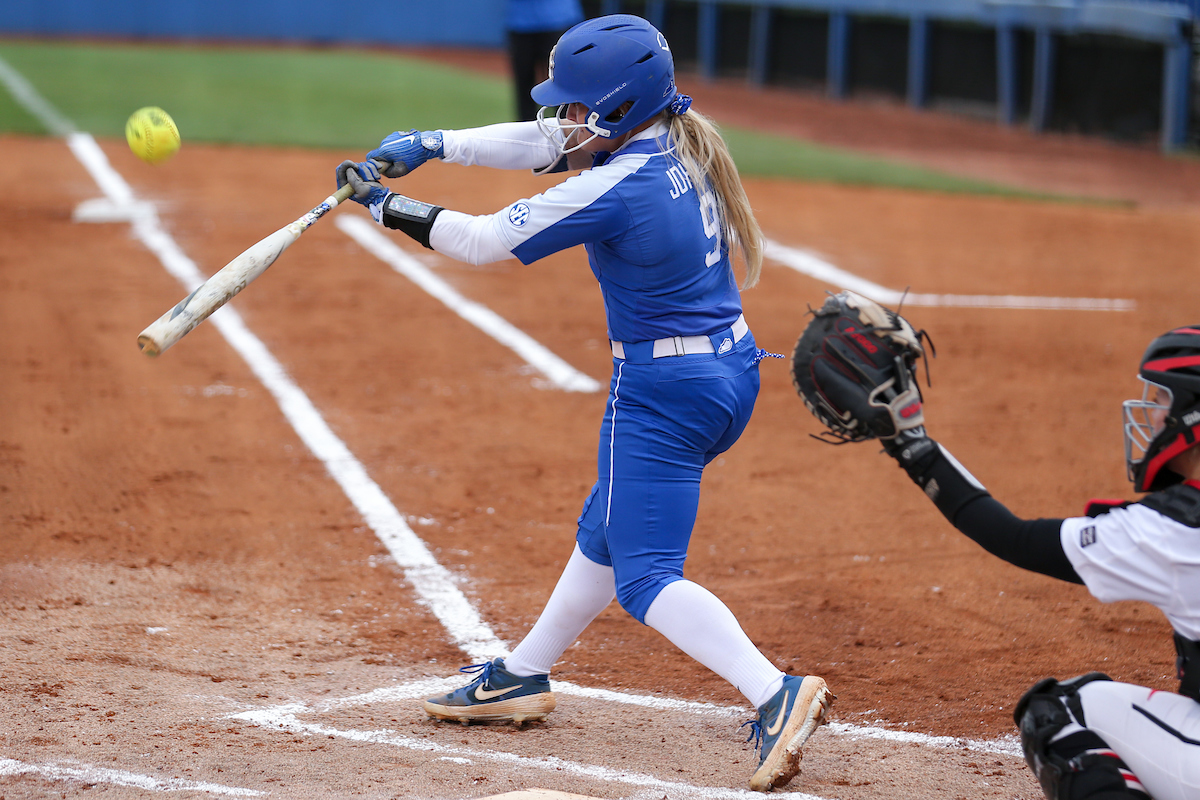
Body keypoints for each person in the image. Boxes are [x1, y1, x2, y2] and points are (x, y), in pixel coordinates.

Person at [334, 14, 834, 793]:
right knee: (607, 528)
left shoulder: (615, 187)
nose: (564, 119)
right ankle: (522, 674)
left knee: (645, 576)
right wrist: (434, 143)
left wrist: (383, 206)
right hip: (726, 373)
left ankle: (775, 692)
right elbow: (546, 143)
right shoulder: (676, 138)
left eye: (576, 105)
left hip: (665, 394)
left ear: (618, 107)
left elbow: (483, 241)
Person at [865, 325, 1200, 800]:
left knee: (1058, 713)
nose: (1154, 412)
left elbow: (1014, 537)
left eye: (1165, 398)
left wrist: (911, 445)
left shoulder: (1171, 531)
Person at [506, 0, 584, 121]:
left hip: (559, 19)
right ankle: (526, 135)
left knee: (564, 86)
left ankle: (570, 133)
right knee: (524, 88)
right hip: (520, 22)